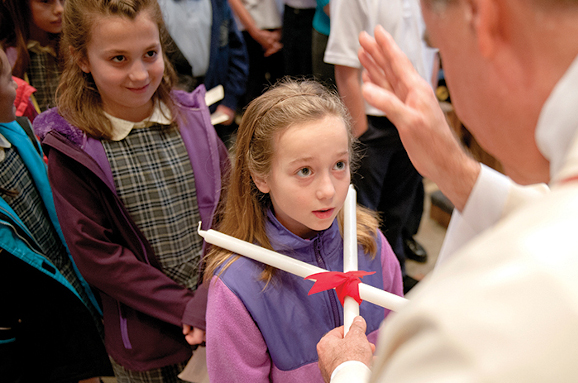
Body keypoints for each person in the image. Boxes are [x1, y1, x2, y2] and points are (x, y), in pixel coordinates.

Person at [317, 0, 578, 381]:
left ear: (481, 16)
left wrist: (349, 369)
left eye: (434, 42)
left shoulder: (472, 335)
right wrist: (456, 172)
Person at [32, 0, 231, 380]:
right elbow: (97, 254)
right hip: (146, 340)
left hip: (220, 315)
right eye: (118, 59)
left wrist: (211, 294)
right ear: (83, 59)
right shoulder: (73, 148)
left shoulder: (194, 121)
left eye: (150, 54)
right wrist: (185, 307)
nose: (140, 74)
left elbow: (232, 213)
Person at [202, 79, 403, 382]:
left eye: (339, 164)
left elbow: (400, 346)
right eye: (305, 171)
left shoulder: (367, 240)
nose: (327, 191)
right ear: (261, 177)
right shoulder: (237, 287)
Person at [0, 48, 112, 383]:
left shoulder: (16, 132)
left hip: (71, 297)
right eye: (7, 78)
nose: (18, 85)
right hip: (31, 334)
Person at [324, 0, 438, 292]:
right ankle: (364, 289)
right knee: (364, 215)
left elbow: (432, 54)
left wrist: (430, 111)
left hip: (414, 118)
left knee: (400, 208)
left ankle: (394, 278)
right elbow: (344, 62)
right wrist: (360, 132)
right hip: (373, 123)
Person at [158, 0, 248, 140]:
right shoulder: (154, 6)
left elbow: (237, 52)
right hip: (172, 107)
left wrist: (229, 102)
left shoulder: (217, 4)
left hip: (215, 103)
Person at [0, 0, 63, 113]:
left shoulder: (75, 47)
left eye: (63, 0)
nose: (60, 9)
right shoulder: (5, 56)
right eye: (46, 1)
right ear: (22, 6)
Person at [228, 0, 285, 110]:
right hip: (247, 29)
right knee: (253, 90)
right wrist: (255, 32)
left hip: (283, 26)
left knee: (282, 88)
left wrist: (281, 32)